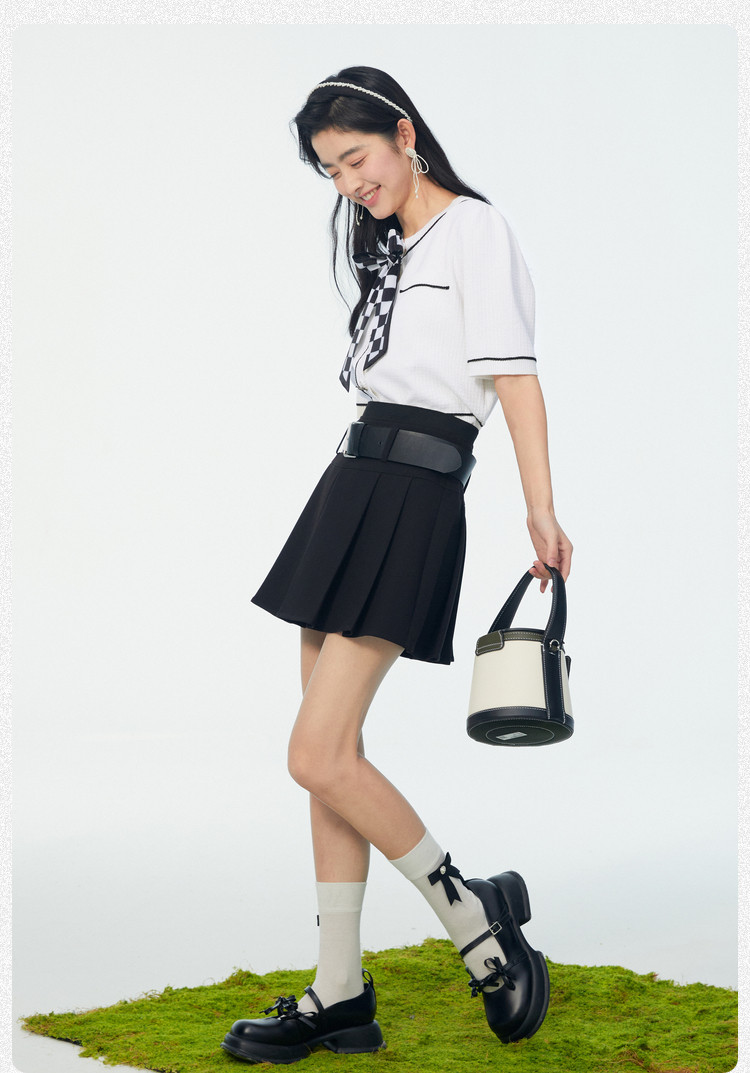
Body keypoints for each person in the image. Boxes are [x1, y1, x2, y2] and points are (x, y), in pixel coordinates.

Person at [221, 65, 573, 1066]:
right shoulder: (395, 245)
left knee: (317, 752)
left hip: (414, 494)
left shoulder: (474, 231)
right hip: (350, 484)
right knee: (327, 754)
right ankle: (339, 990)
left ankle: (475, 918)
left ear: (404, 134)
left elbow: (516, 381)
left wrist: (539, 508)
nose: (349, 184)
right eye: (331, 172)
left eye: (356, 158)